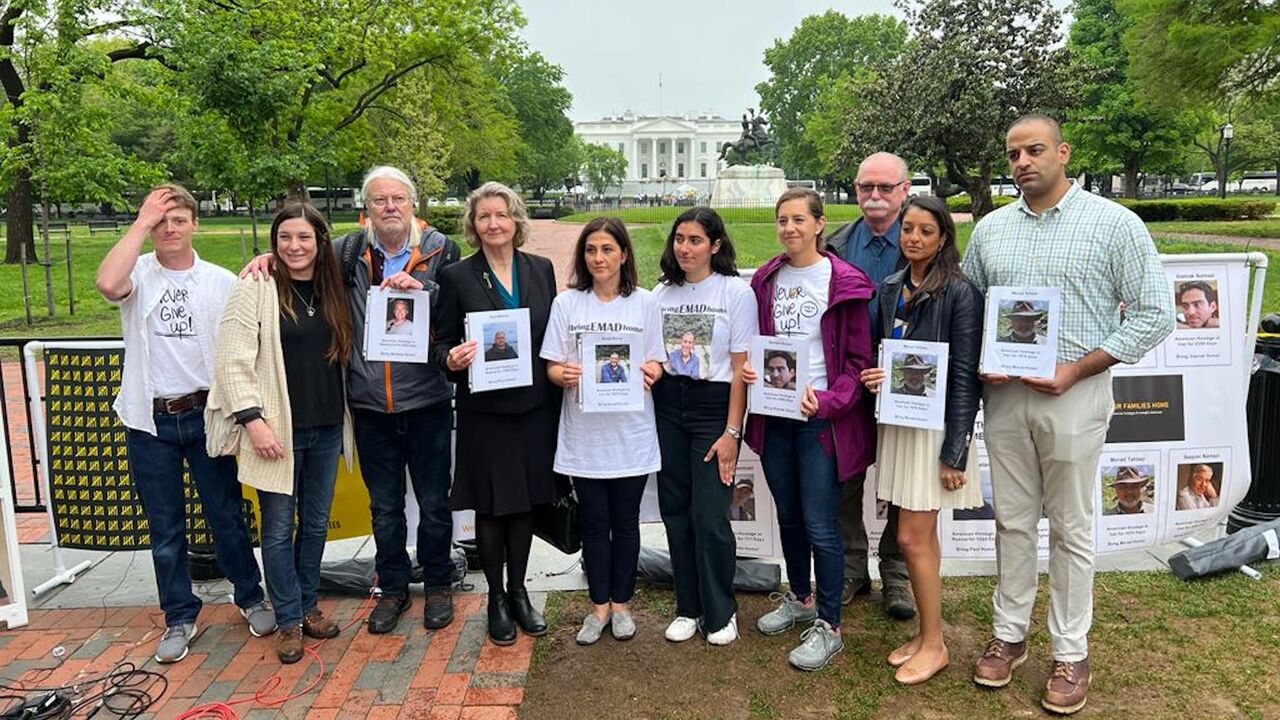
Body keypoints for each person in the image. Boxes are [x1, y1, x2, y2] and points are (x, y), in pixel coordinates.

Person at [963, 114, 1173, 714]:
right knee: (1013, 521)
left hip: (1075, 392)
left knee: (1073, 525)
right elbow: (972, 309)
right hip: (1005, 395)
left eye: (1033, 150)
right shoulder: (992, 230)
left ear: (1063, 151)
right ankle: (1009, 636)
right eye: (1012, 154)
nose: (1022, 162)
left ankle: (1070, 650)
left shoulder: (1113, 224)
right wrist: (983, 358)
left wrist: (1078, 368)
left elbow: (1155, 313)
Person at [245, 165, 461, 634]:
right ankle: (393, 588)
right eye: (380, 200)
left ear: (412, 205)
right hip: (367, 405)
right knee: (384, 506)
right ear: (367, 209)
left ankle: (439, 584)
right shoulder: (346, 251)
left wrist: (424, 288)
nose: (389, 208)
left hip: (426, 400)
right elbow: (298, 255)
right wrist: (268, 258)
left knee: (433, 501)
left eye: (398, 200)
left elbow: (454, 310)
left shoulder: (442, 250)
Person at [95, 184, 275, 663]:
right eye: (160, 222)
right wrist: (140, 220)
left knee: (227, 516)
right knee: (166, 529)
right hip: (150, 420)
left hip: (207, 417)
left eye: (178, 220)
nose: (169, 230)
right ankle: (179, 615)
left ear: (195, 224)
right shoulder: (138, 274)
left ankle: (250, 595)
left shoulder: (218, 281)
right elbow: (108, 284)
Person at [205, 203, 354, 663]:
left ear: (320, 242)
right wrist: (253, 420)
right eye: (285, 237)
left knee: (313, 525)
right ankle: (288, 618)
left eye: (304, 237)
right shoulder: (256, 285)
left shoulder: (332, 288)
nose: (294, 246)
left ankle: (309, 606)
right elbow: (231, 359)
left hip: (327, 426)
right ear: (274, 242)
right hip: (276, 431)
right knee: (276, 529)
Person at [743, 188, 876, 671]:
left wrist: (828, 401)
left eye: (799, 219)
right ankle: (799, 598)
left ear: (819, 224)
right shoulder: (766, 279)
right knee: (790, 517)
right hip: (774, 415)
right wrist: (754, 372)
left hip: (819, 421)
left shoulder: (844, 282)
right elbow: (758, 342)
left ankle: (830, 624)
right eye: (782, 220)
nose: (789, 228)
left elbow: (860, 362)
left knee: (822, 525)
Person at [860, 195, 984, 685]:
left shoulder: (960, 291)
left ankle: (934, 644)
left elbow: (964, 378)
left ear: (943, 238)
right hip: (897, 423)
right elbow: (884, 353)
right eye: (907, 229)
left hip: (935, 434)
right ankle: (926, 637)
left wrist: (954, 451)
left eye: (925, 231)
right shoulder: (891, 286)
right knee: (919, 538)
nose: (913, 238)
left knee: (911, 537)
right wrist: (876, 376)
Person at [433, 182, 559, 646]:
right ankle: (495, 600)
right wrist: (452, 359)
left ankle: (520, 591)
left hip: (533, 408)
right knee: (490, 506)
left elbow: (554, 335)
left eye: (501, 215)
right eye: (483, 217)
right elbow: (440, 344)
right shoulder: (458, 277)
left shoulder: (541, 270)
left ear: (515, 220)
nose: (493, 224)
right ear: (473, 225)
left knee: (524, 502)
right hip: (484, 412)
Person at [540, 217, 665, 646]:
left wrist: (653, 370)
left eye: (608, 249)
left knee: (626, 522)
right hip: (585, 437)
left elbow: (657, 361)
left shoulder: (646, 304)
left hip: (630, 434)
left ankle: (623, 604)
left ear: (624, 254)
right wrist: (564, 374)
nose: (599, 258)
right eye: (591, 250)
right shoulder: (567, 305)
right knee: (594, 523)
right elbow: (552, 365)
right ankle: (598, 607)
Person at [651, 207, 758, 646]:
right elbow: (656, 358)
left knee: (710, 514)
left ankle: (720, 608)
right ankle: (688, 606)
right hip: (669, 404)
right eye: (679, 239)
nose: (685, 248)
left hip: (714, 406)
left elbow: (740, 369)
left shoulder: (735, 292)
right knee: (675, 509)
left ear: (715, 245)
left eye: (695, 240)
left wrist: (732, 433)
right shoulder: (660, 294)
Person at [825, 152, 913, 619]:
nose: (874, 196)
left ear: (905, 189)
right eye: (865, 188)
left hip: (907, 386)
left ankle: (896, 574)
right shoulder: (835, 245)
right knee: (845, 478)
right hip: (850, 385)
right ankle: (853, 568)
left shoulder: (926, 241)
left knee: (900, 482)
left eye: (884, 187)